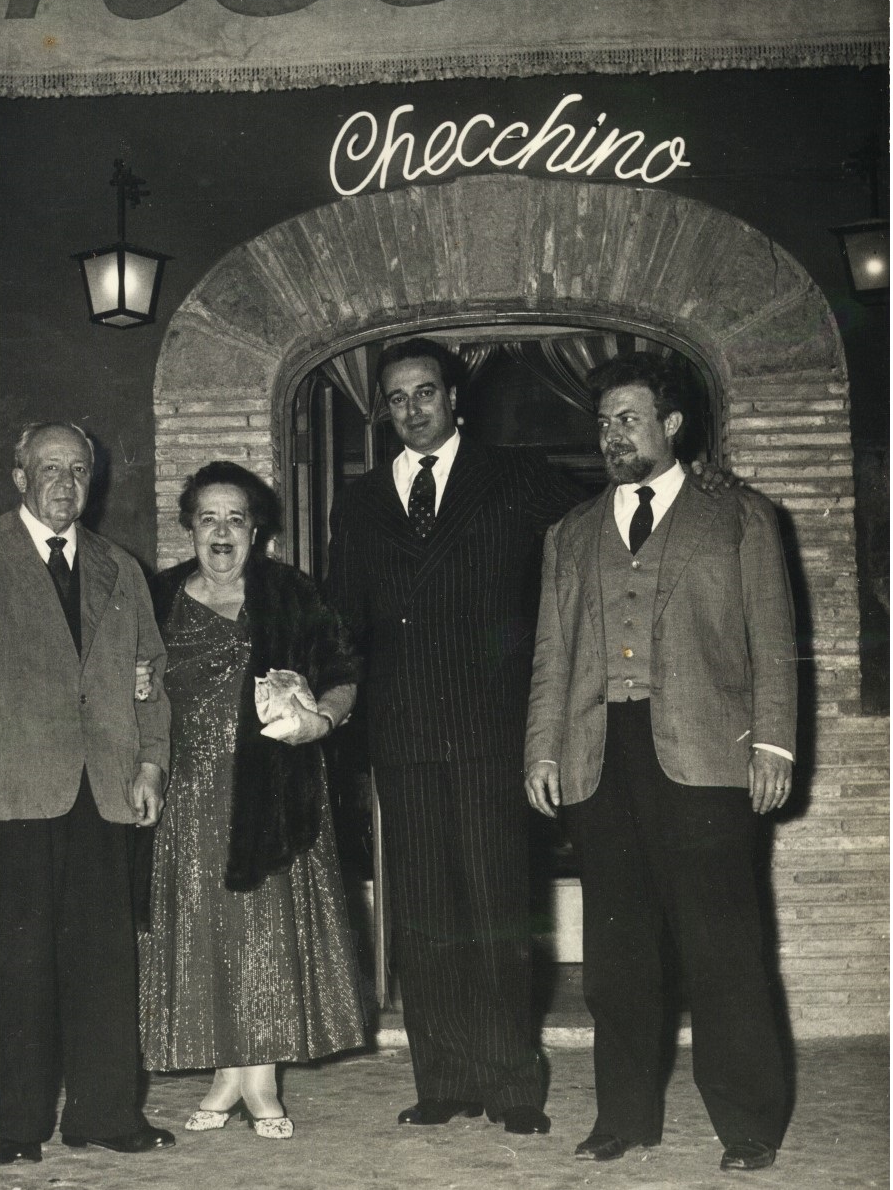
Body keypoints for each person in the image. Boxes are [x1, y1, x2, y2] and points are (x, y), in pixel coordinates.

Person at [524, 351, 795, 1174]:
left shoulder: (740, 517)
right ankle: (626, 1115)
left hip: (709, 757)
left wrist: (775, 742)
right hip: (602, 756)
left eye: (628, 419)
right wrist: (542, 745)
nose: (611, 435)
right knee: (618, 955)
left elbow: (774, 642)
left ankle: (748, 1123)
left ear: (672, 425)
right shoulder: (569, 534)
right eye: (603, 422)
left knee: (723, 948)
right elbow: (550, 653)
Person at [324, 337, 581, 1136]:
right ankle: (443, 1076)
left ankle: (512, 1085)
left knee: (498, 910)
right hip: (400, 739)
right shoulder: (361, 502)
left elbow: (606, 518)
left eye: (424, 393)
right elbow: (343, 624)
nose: (411, 410)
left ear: (453, 397)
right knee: (426, 917)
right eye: (396, 399)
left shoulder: (517, 477)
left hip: (490, 732)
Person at [0, 422, 175, 1166]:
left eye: (78, 470)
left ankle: (105, 1113)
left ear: (91, 482)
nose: (65, 482)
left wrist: (151, 764)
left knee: (104, 961)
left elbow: (152, 677)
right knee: (21, 962)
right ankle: (20, 1125)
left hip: (105, 791)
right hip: (11, 791)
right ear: (19, 475)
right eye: (50, 467)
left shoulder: (118, 566)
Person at [138, 461, 366, 1139]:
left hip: (274, 792)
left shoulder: (291, 593)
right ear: (188, 527)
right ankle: (228, 1074)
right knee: (208, 929)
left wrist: (319, 719)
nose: (222, 530)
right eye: (208, 517)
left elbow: (344, 672)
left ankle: (258, 1080)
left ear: (257, 528)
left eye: (236, 517)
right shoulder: (157, 597)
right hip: (188, 796)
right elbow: (128, 688)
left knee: (265, 932)